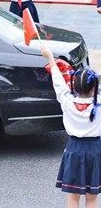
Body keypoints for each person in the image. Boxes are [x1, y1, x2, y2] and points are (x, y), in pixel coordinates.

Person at [41, 45, 101, 207]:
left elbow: (59, 83)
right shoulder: (99, 106)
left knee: (73, 196)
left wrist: (50, 59)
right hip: (96, 150)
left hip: (74, 149)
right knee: (92, 197)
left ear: (74, 86)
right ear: (95, 87)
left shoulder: (67, 102)